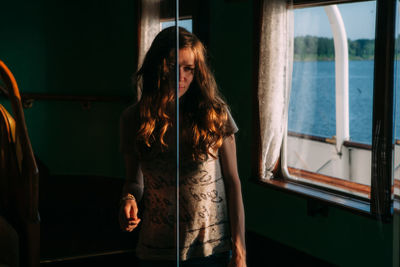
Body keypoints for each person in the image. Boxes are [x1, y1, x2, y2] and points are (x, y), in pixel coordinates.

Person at [119, 26, 246, 267]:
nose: (181, 77)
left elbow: (233, 182)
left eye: (189, 69)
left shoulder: (215, 114)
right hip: (156, 250)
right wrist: (128, 199)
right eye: (172, 66)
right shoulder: (132, 118)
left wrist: (240, 252)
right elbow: (134, 181)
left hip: (211, 251)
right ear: (157, 65)